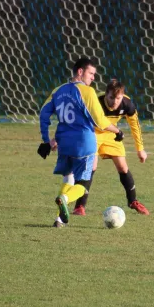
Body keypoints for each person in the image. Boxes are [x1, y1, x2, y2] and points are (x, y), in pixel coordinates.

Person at [38, 58, 123, 228]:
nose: (93, 78)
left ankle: (59, 220)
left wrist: (47, 140)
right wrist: (118, 131)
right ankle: (66, 199)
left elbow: (43, 114)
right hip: (84, 143)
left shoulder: (58, 90)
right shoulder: (87, 92)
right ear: (80, 72)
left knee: (68, 177)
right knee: (82, 186)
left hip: (64, 144)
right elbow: (100, 121)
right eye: (91, 73)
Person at [72, 79, 150, 216]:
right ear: (106, 94)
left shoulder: (127, 104)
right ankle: (79, 206)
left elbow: (135, 126)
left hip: (111, 133)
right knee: (92, 166)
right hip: (92, 133)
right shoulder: (95, 101)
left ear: (122, 96)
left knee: (123, 167)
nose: (115, 101)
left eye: (118, 98)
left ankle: (133, 201)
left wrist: (140, 148)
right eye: (111, 97)